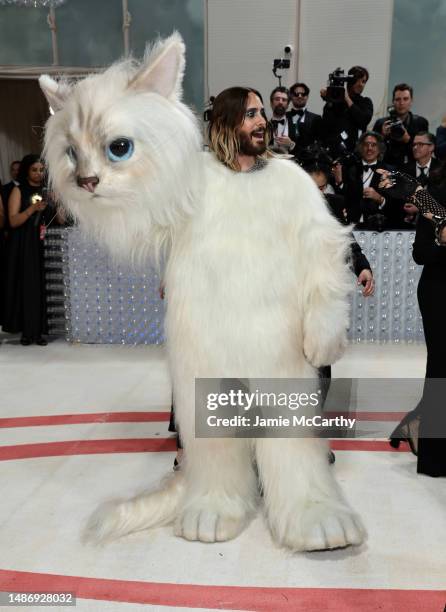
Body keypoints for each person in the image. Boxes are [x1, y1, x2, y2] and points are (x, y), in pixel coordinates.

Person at [379, 168, 446, 477]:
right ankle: (435, 458)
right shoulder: (436, 197)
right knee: (441, 369)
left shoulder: (433, 204)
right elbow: (422, 253)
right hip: (439, 292)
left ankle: (415, 422)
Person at [2, 154, 49, 345]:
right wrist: (32, 209)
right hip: (24, 245)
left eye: (41, 170)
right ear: (26, 171)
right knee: (28, 286)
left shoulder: (48, 191)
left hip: (44, 244)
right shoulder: (18, 191)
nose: (38, 174)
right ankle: (28, 332)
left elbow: (59, 220)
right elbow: (13, 221)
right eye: (34, 170)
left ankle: (41, 330)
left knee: (43, 286)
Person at [320, 66, 373, 155]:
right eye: (358, 80)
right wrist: (329, 100)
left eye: (363, 81)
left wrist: (347, 98)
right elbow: (326, 125)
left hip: (355, 154)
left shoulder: (365, 102)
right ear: (350, 81)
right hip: (333, 153)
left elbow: (363, 120)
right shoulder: (336, 101)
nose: (361, 84)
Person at [373, 84, 429, 168]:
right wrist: (382, 136)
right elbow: (370, 152)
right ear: (393, 101)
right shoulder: (381, 123)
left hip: (413, 169)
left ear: (411, 101)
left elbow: (425, 153)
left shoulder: (421, 123)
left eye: (405, 99)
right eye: (398, 99)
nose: (401, 103)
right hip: (386, 168)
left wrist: (408, 140)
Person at [287, 82, 322, 159]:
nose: (300, 96)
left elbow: (319, 145)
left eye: (303, 94)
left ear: (307, 96)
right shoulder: (284, 117)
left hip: (308, 163)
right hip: (287, 162)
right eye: (296, 94)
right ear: (291, 96)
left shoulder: (316, 118)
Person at [268, 86, 297, 156]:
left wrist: (291, 144)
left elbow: (304, 150)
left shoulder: (296, 124)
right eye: (277, 99)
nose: (280, 102)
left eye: (284, 100)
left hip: (291, 165)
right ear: (271, 103)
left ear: (287, 105)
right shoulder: (265, 126)